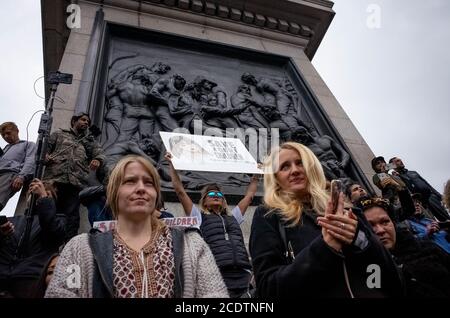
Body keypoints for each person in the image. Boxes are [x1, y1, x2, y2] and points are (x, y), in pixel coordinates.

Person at [45, 155, 228, 298]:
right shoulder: (79, 249)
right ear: (114, 192)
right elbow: (66, 292)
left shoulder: (193, 246)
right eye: (130, 181)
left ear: (156, 195)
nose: (141, 188)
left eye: (149, 183)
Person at [250, 142, 403, 297]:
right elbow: (268, 289)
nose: (295, 170)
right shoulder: (268, 215)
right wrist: (325, 248)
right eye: (284, 167)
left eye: (300, 163)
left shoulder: (349, 210)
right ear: (275, 177)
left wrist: (360, 240)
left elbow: (388, 277)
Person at [165, 152, 258, 298]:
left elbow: (250, 196)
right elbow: (180, 191)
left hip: (243, 274)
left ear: (223, 201)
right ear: (204, 201)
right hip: (218, 274)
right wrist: (172, 165)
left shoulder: (233, 217)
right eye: (211, 195)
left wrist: (256, 176)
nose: (216, 196)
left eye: (219, 195)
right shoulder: (198, 217)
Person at [361, 197, 450, 297]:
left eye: (385, 221)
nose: (380, 230)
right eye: (370, 225)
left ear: (393, 224)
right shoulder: (371, 270)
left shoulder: (426, 247)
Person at [0, 179, 66, 298]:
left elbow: (53, 232)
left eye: (46, 194)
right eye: (33, 194)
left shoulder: (59, 220)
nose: (37, 195)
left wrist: (43, 198)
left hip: (30, 278)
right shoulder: (13, 220)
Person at [43, 112, 105, 240]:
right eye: (83, 120)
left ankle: (68, 245)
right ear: (74, 121)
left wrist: (97, 159)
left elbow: (98, 152)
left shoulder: (88, 141)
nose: (86, 123)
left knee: (72, 218)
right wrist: (45, 156)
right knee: (47, 212)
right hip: (54, 181)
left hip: (75, 184)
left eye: (88, 122)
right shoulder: (59, 134)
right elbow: (44, 149)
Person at [389, 156, 450, 221]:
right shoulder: (397, 177)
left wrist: (439, 196)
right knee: (430, 221)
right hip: (420, 203)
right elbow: (384, 170)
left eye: (400, 160)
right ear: (393, 165)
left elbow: (427, 184)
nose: (401, 161)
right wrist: (394, 172)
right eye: (397, 161)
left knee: (444, 217)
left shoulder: (413, 172)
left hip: (431, 197)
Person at [0, 122, 36, 211]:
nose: (6, 137)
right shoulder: (5, 149)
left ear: (17, 131)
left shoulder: (28, 144)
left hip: (9, 176)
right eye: (3, 135)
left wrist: (21, 177)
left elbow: (30, 160)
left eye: (8, 133)